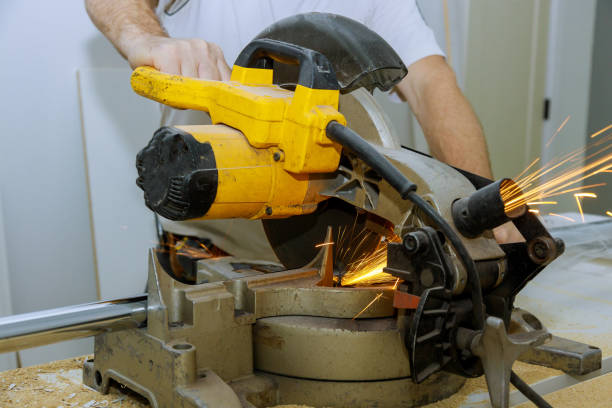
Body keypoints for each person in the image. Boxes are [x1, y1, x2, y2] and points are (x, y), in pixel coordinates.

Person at [86, 0, 519, 261]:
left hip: (332, 255)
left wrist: (476, 209)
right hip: (210, 250)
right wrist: (147, 40)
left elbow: (431, 85)